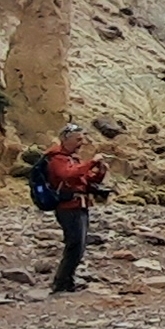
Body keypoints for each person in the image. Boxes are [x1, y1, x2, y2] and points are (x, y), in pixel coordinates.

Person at [43, 123, 108, 295]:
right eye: (78, 139)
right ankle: (61, 282)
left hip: (80, 206)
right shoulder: (57, 159)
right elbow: (68, 175)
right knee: (74, 245)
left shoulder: (73, 159)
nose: (82, 142)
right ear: (66, 139)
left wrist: (100, 172)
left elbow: (85, 180)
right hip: (68, 207)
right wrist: (91, 162)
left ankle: (67, 280)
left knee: (78, 246)